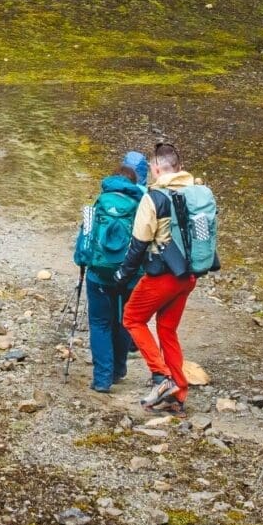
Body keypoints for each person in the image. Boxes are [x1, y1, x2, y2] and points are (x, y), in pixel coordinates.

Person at [119, 142, 200, 413]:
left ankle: (161, 377)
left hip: (163, 274)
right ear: (178, 167)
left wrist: (123, 273)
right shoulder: (197, 193)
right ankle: (178, 392)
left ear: (155, 169)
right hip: (189, 275)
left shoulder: (154, 197)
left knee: (132, 317)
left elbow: (140, 242)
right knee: (166, 329)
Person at [84, 151, 148, 392]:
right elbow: (145, 240)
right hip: (129, 275)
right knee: (124, 321)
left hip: (98, 274)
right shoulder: (142, 203)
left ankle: (102, 380)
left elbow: (86, 235)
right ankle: (119, 370)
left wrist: (83, 261)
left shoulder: (101, 201)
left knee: (100, 323)